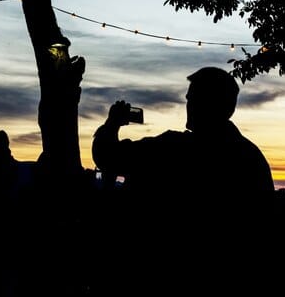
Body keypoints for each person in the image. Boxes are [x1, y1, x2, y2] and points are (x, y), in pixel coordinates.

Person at [91, 66, 275, 286]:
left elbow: (106, 156)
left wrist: (112, 124)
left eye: (191, 98)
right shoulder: (251, 157)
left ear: (201, 102)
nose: (188, 104)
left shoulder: (172, 149)